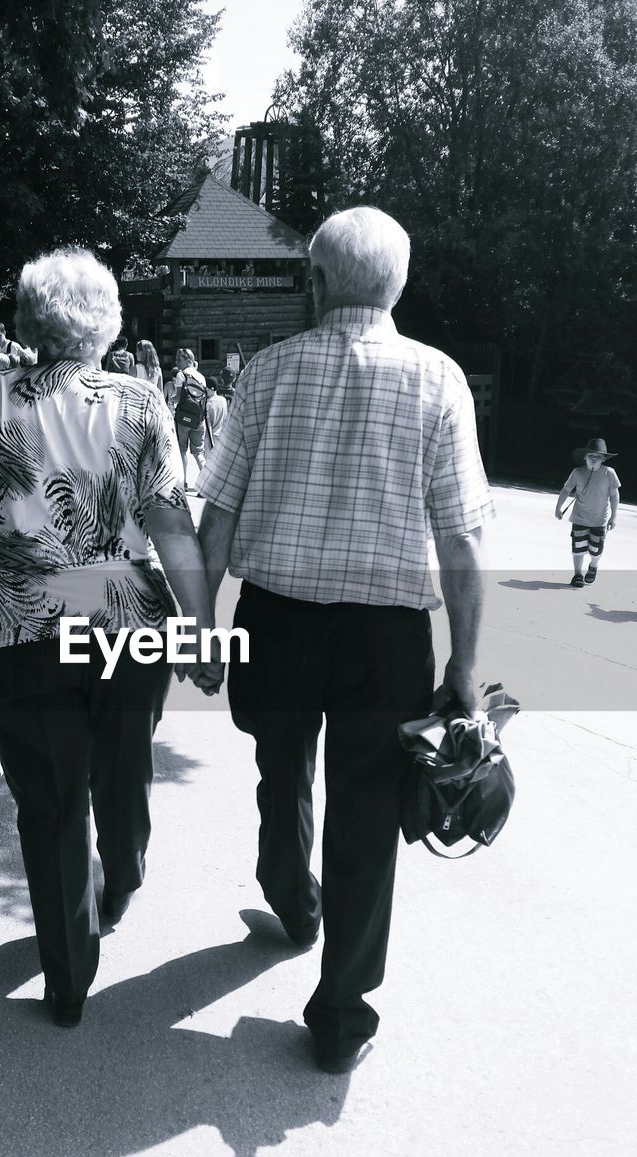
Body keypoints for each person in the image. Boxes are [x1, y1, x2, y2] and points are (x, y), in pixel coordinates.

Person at [196, 206, 494, 1073]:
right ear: (397, 286)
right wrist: (464, 665)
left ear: (317, 283)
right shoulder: (439, 381)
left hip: (278, 620)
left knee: (281, 764)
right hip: (387, 638)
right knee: (366, 815)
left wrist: (199, 629)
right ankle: (339, 1014)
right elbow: (464, 538)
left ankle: (292, 898)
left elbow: (216, 518)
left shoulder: (265, 372)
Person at [0, 247, 218, 1027]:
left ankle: (67, 980)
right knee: (123, 766)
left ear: (30, 322)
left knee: (52, 804)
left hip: (26, 622)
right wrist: (199, 633)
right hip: (127, 615)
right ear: (107, 323)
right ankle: (123, 875)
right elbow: (171, 524)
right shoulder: (140, 402)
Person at [555, 437, 621, 585]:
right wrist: (558, 507)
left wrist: (614, 516)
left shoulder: (609, 473)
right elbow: (566, 489)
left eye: (598, 457)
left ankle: (594, 565)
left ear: (603, 459)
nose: (594, 459)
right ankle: (577, 575)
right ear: (585, 457)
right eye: (591, 456)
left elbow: (614, 495)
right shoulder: (577, 472)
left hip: (600, 519)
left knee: (596, 550)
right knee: (578, 547)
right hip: (580, 517)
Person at [168, 348, 207, 488]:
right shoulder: (201, 376)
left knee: (182, 450)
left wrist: (170, 398)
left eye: (179, 359)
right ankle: (206, 483)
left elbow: (178, 397)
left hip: (184, 419)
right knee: (198, 453)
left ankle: (183, 482)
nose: (176, 362)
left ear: (188, 360)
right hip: (198, 419)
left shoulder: (181, 375)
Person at [203, 377, 228, 450]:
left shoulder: (208, 403)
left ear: (208, 388)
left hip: (211, 438)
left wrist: (211, 444)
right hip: (223, 435)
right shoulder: (223, 400)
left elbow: (208, 425)